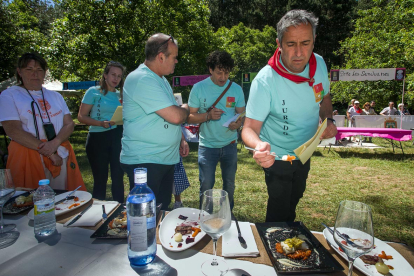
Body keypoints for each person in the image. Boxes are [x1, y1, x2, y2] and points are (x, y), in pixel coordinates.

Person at [241, 10, 337, 222]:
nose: (299, 53)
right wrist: (258, 146)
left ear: (314, 41)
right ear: (279, 44)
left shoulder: (319, 63)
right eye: (291, 44)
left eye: (305, 43)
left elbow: (325, 97)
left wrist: (328, 119)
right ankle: (275, 244)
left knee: (295, 197)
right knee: (279, 206)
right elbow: (249, 128)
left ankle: (287, 236)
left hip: (306, 151)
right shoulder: (265, 80)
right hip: (278, 155)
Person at [120, 33, 190, 210]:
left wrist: (180, 138)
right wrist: (187, 109)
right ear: (160, 56)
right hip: (146, 160)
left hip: (162, 159)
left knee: (161, 209)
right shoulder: (142, 78)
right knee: (145, 216)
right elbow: (175, 115)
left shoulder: (161, 80)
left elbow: (167, 113)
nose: (176, 61)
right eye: (174, 57)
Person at [0, 53, 86, 191]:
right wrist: (48, 151)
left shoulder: (55, 96)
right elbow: (13, 130)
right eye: (29, 69)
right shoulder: (9, 95)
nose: (35, 74)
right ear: (19, 72)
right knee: (32, 201)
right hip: (27, 155)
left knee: (63, 198)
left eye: (39, 70)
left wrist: (54, 143)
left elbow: (69, 124)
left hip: (59, 152)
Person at [187, 51, 245, 210]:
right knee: (206, 185)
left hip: (230, 144)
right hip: (207, 146)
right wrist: (207, 116)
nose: (223, 77)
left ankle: (228, 216)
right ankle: (205, 217)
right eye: (219, 72)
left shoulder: (236, 89)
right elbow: (190, 117)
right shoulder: (199, 88)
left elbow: (241, 115)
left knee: (230, 185)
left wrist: (238, 124)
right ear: (210, 70)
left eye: (226, 73)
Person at [78, 61, 125, 202]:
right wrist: (100, 123)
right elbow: (81, 117)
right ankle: (97, 215)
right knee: (100, 179)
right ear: (105, 75)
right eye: (113, 75)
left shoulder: (121, 95)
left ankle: (119, 213)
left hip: (117, 137)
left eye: (119, 76)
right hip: (97, 138)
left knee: (118, 177)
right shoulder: (93, 91)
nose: (116, 79)